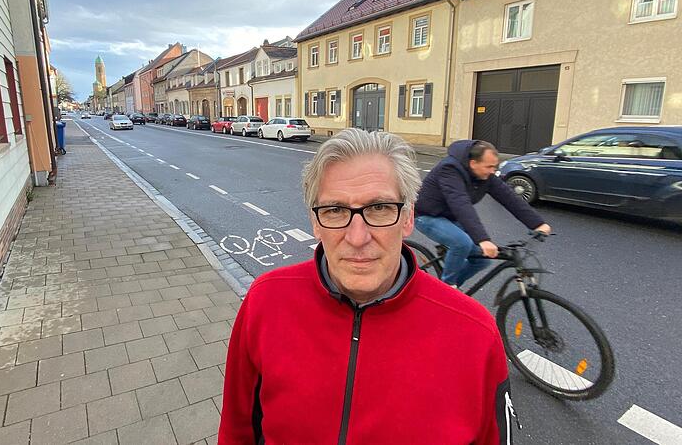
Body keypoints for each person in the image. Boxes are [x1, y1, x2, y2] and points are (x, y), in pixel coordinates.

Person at [219, 129, 516, 444]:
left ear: (407, 218)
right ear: (315, 222)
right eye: (335, 211)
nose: (358, 237)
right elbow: (237, 431)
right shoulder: (265, 302)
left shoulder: (475, 334)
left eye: (379, 208)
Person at [415, 140, 551, 288]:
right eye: (489, 166)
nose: (493, 171)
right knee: (462, 243)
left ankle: (452, 291)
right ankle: (446, 289)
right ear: (473, 163)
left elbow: (509, 197)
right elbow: (461, 203)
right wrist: (483, 239)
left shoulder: (485, 175)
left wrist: (537, 223)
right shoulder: (449, 170)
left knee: (482, 260)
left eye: (495, 166)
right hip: (427, 215)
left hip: (452, 217)